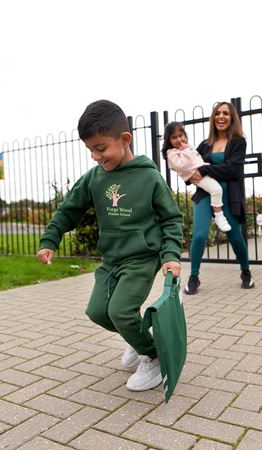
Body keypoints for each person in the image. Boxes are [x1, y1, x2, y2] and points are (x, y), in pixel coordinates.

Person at [37, 100, 183, 392]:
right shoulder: (95, 178)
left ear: (124, 139)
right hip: (112, 258)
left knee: (120, 312)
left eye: (101, 148)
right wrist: (50, 239)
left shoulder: (149, 177)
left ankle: (152, 357)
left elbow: (171, 219)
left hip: (142, 257)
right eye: (90, 149)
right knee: (97, 312)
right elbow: (69, 209)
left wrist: (170, 256)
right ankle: (137, 338)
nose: (95, 156)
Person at [184, 101, 254, 295]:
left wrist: (205, 169)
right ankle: (194, 276)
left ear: (232, 118)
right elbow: (189, 165)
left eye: (225, 113)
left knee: (234, 236)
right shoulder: (204, 145)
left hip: (229, 196)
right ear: (213, 118)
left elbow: (232, 169)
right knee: (198, 235)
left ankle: (246, 271)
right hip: (205, 194)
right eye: (217, 113)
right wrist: (190, 176)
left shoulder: (239, 142)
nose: (221, 117)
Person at [161, 122, 231, 232]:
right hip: (197, 176)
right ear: (168, 140)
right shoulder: (172, 152)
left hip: (204, 171)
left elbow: (196, 158)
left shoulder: (186, 147)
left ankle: (218, 210)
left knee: (220, 185)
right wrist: (187, 149)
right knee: (216, 190)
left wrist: (188, 149)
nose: (179, 139)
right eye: (174, 137)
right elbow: (181, 165)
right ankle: (218, 215)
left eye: (181, 135)